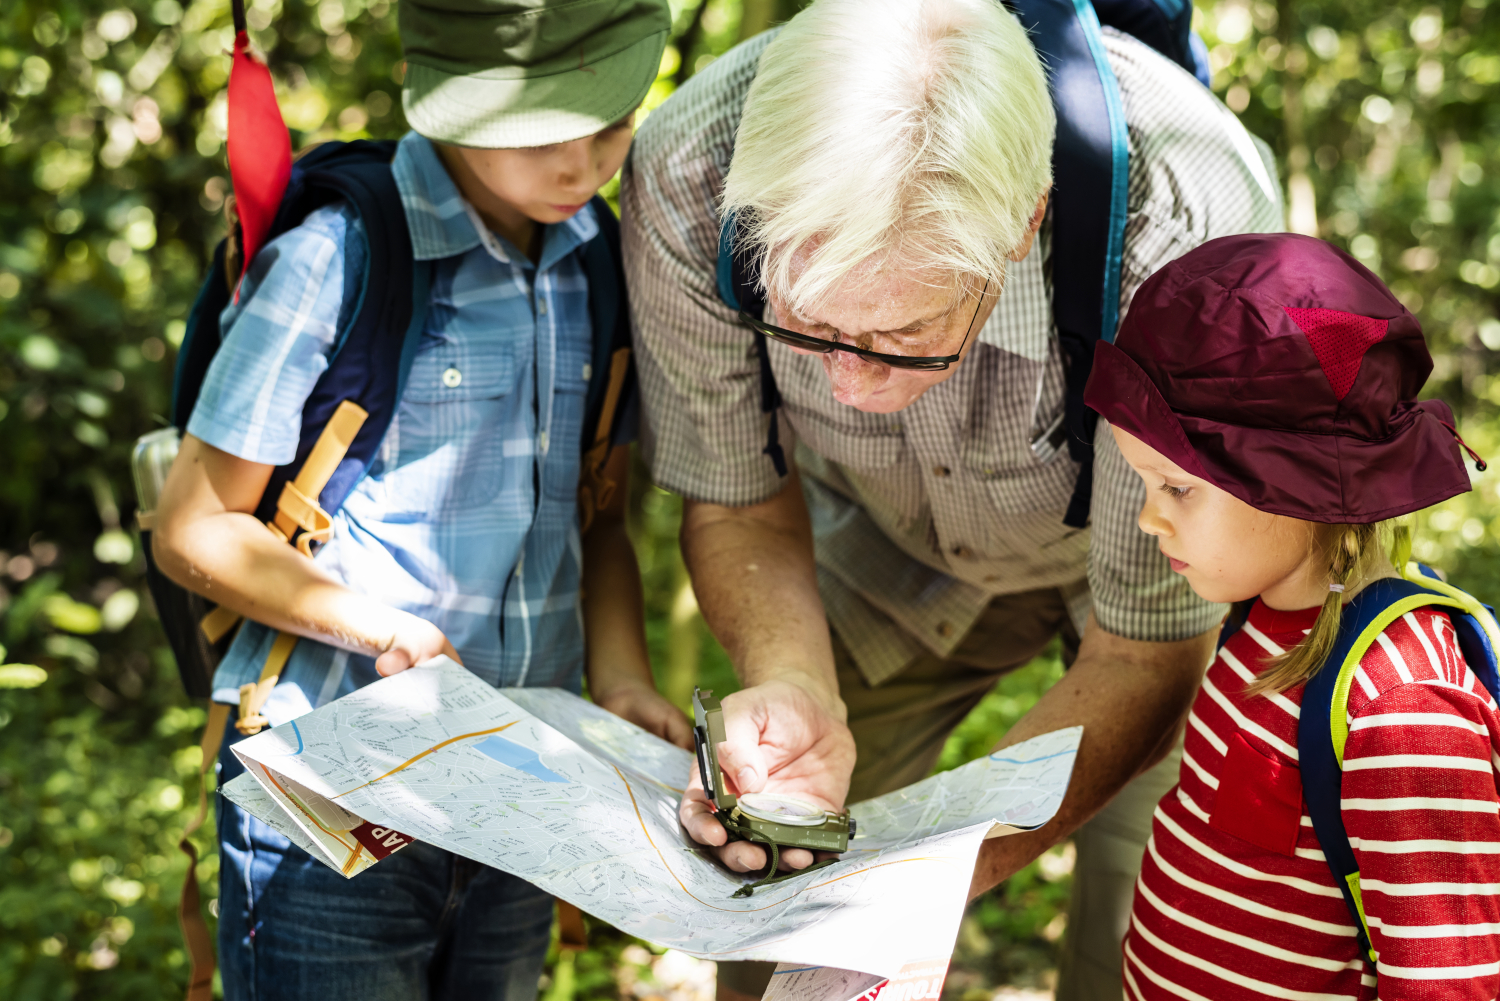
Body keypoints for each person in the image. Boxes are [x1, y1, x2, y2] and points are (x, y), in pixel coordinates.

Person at [619, 0, 1282, 996]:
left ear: (1022, 225)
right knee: (769, 923)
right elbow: (740, 498)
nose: (845, 385)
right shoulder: (688, 173)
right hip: (883, 540)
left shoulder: (1185, 225)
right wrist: (790, 675)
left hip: (1149, 571)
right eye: (806, 325)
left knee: (1153, 935)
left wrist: (928, 876)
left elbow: (1147, 649)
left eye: (899, 336)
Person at [151, 1, 683, 998]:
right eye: (544, 137)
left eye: (610, 127)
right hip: (331, 785)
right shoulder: (337, 255)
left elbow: (597, 516)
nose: (582, 164)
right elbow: (196, 524)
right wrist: (376, 624)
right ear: (449, 104)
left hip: (527, 778)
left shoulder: (598, 260)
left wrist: (621, 680)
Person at [1083, 231, 1500, 999]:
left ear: (1299, 485)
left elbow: (1451, 983)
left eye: (1176, 487)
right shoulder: (1255, 622)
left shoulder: (1398, 708)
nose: (1149, 519)